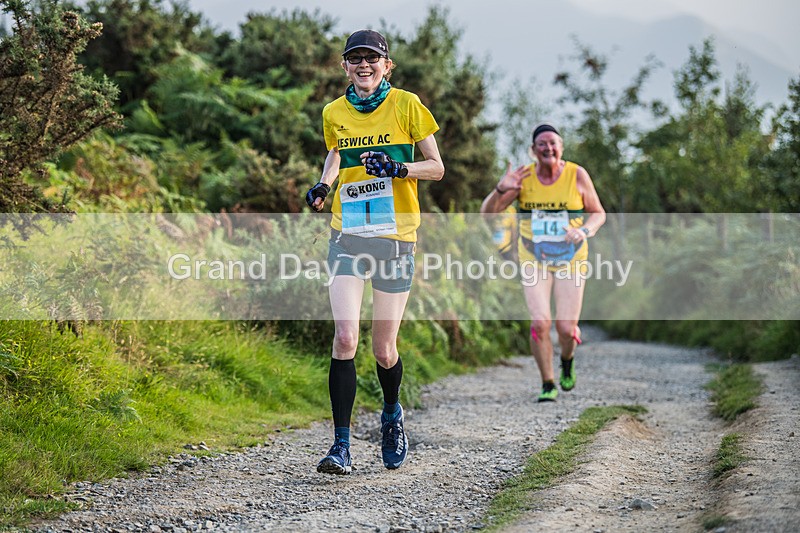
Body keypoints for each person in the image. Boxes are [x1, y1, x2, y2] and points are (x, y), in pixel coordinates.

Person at [305, 29, 444, 474]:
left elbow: (437, 168)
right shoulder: (334, 111)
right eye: (355, 58)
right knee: (345, 338)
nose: (363, 65)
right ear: (345, 65)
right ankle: (340, 447)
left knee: (384, 349)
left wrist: (400, 168)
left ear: (387, 65)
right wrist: (325, 184)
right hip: (348, 234)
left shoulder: (407, 104)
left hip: (396, 238)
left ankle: (391, 415)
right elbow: (336, 155)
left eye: (372, 58)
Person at [480, 123, 605, 402]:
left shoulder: (577, 175)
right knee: (539, 323)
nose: (548, 148)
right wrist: (500, 190)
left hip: (571, 258)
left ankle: (568, 360)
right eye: (542, 144)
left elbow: (598, 213)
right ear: (533, 150)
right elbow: (488, 213)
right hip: (533, 259)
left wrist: (583, 230)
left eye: (553, 143)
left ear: (561, 147)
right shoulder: (524, 179)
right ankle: (548, 382)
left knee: (566, 328)